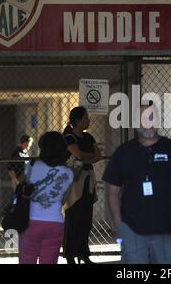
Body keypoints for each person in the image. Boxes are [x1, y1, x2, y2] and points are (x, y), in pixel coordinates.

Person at [103, 104, 171, 264]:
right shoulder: (123, 152)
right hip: (132, 230)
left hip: (166, 230)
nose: (148, 122)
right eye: (143, 118)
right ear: (135, 122)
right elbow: (112, 190)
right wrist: (119, 225)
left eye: (152, 117)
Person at [18, 131, 73, 264]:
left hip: (31, 221)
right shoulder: (68, 172)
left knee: (27, 260)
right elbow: (64, 200)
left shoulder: (31, 165)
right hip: (55, 223)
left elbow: (21, 185)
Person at [62, 106, 103, 264]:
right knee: (73, 218)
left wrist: (85, 157)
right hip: (74, 182)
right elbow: (77, 154)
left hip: (87, 181)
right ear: (78, 120)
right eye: (85, 118)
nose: (88, 120)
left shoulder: (88, 137)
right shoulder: (69, 137)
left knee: (86, 219)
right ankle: (70, 254)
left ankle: (83, 253)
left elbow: (97, 155)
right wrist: (87, 156)